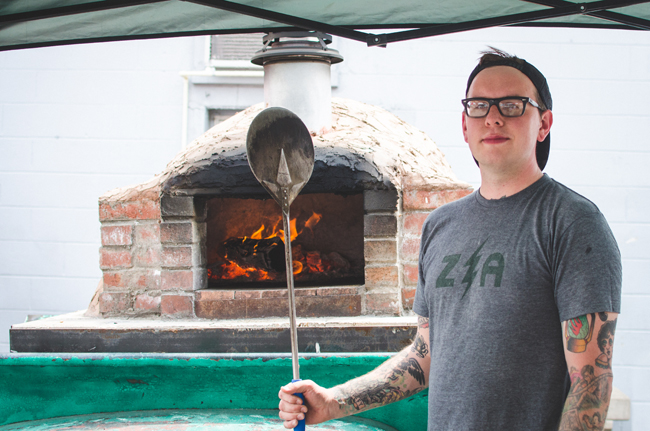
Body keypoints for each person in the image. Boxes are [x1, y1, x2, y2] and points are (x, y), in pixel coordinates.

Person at [278, 48, 622, 431]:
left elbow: (590, 382)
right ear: (464, 125)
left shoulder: (573, 223)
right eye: (479, 105)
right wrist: (332, 401)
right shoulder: (441, 225)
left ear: (543, 124)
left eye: (512, 104)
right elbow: (424, 356)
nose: (492, 116)